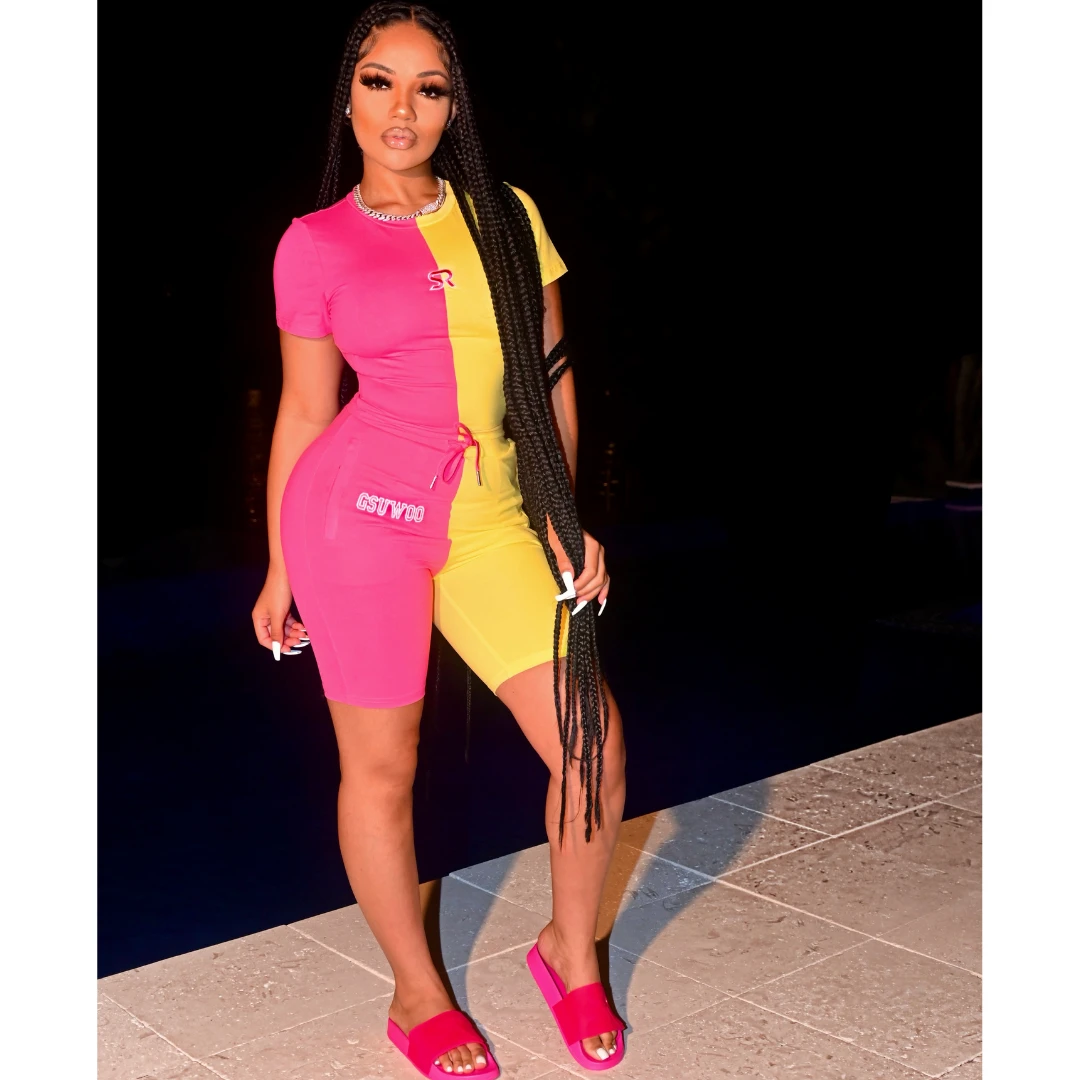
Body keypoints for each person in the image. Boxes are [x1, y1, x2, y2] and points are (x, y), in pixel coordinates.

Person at [250, 4, 628, 1076]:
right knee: (383, 765)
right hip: (355, 519)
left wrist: (562, 518)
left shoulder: (506, 215)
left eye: (429, 87)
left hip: (489, 517)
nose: (402, 108)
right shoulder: (313, 243)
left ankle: (570, 950)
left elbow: (550, 375)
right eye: (379, 81)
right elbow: (306, 411)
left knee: (592, 741)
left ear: (454, 105)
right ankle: (416, 993)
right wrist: (280, 564)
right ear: (349, 97)